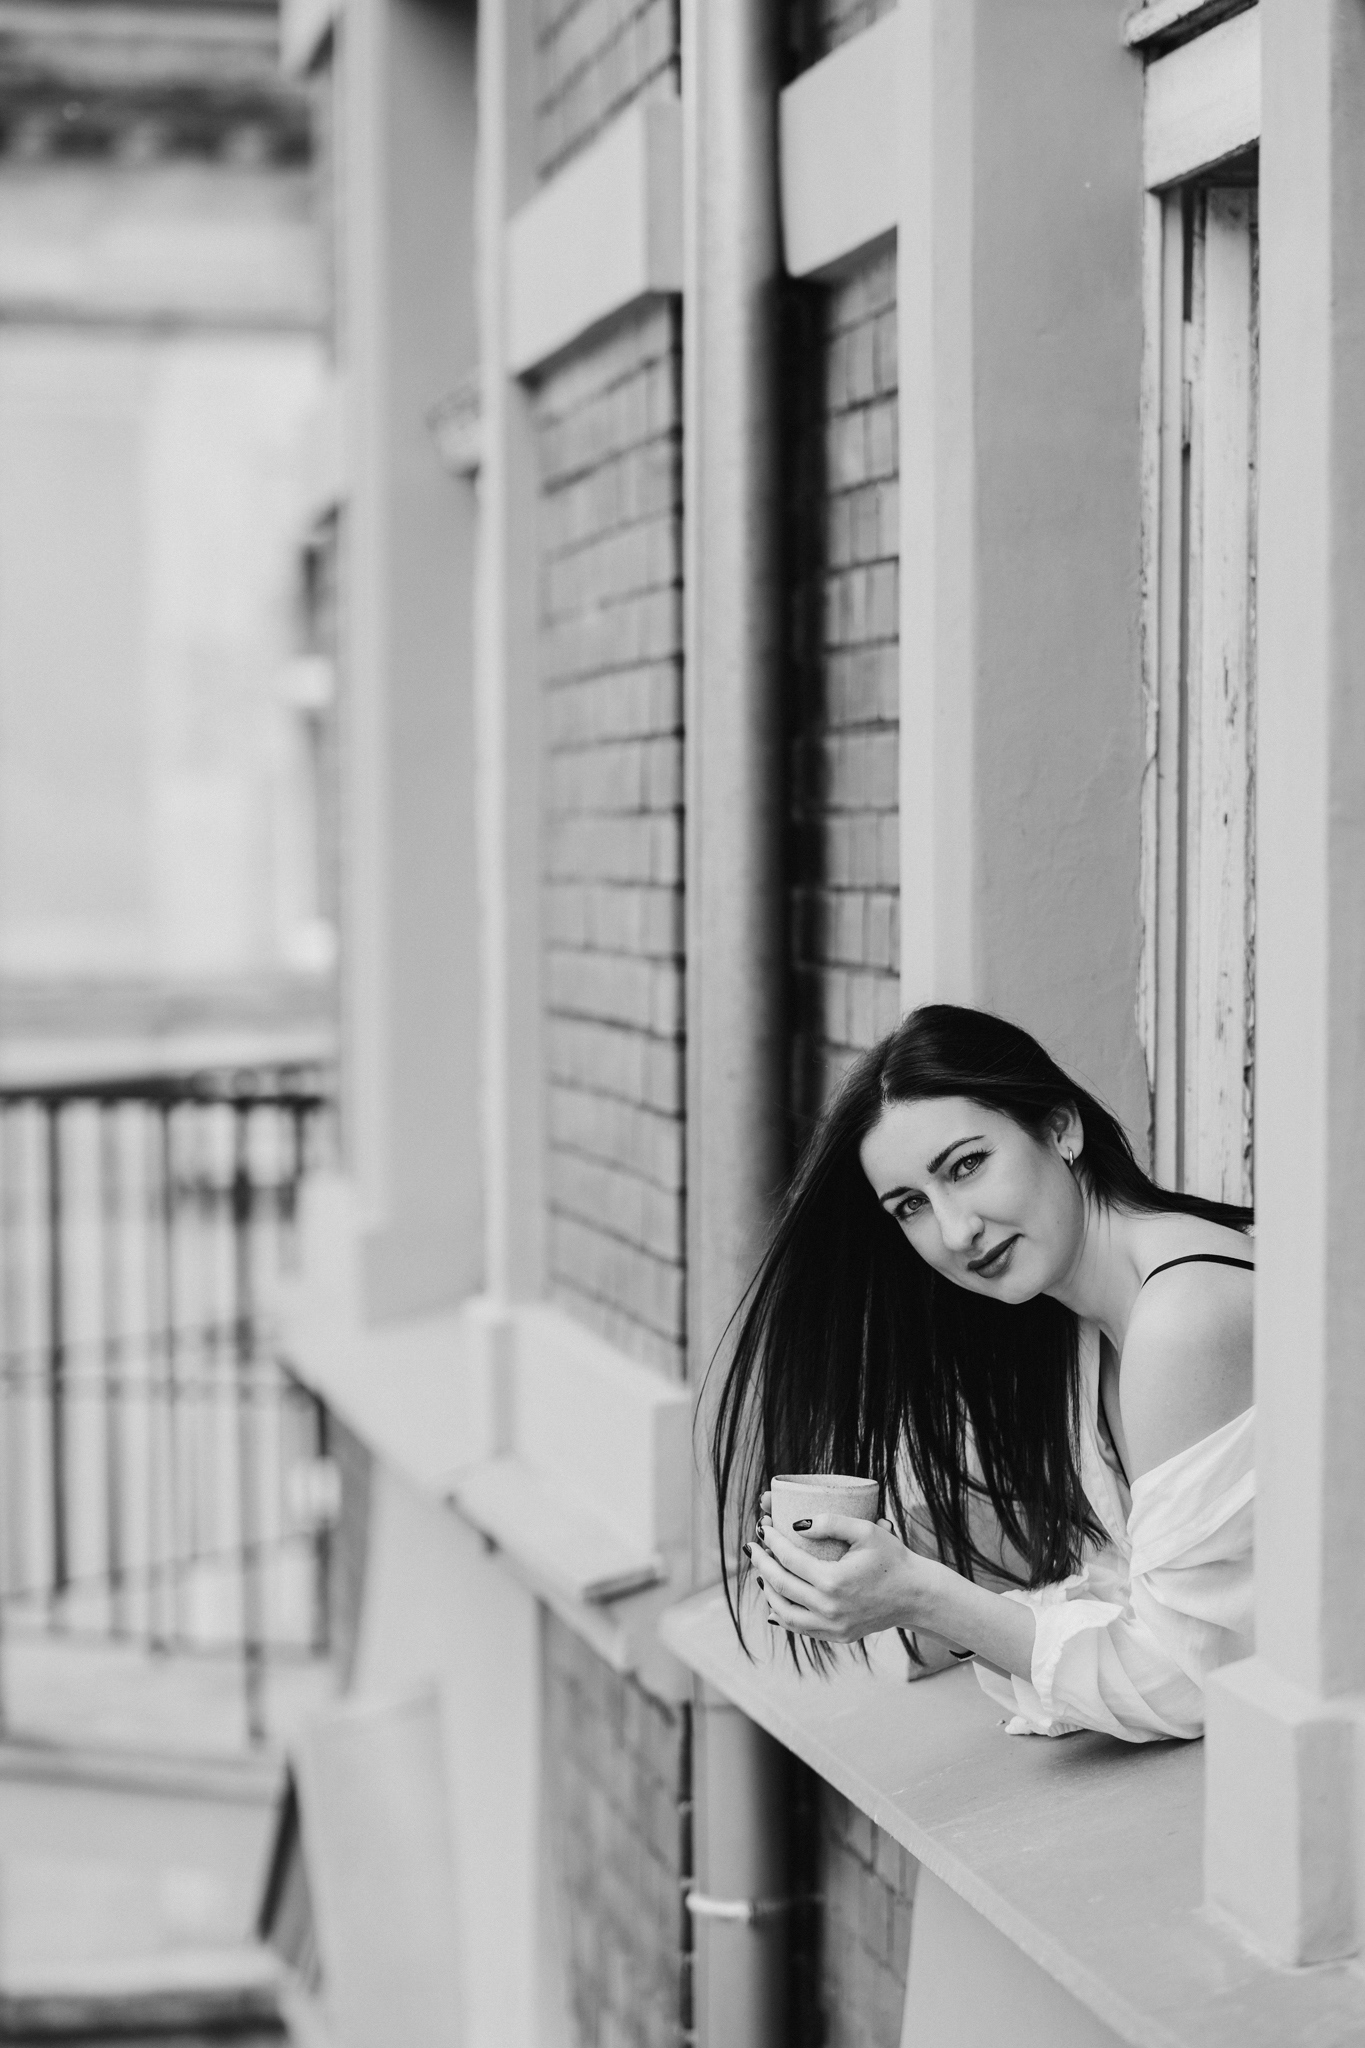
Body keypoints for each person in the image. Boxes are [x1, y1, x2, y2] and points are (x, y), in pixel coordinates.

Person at [715, 1004, 1254, 1743]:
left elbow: (1192, 1682)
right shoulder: (1085, 1326)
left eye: (967, 1165)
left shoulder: (1181, 1318)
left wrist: (924, 1598)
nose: (955, 1230)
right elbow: (1144, 1597)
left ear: (1060, 1128)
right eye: (911, 1205)